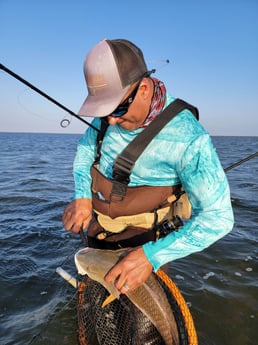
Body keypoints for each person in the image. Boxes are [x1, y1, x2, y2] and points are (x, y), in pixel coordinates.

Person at [62, 38, 234, 297]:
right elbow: (86, 150)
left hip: (147, 240)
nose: (110, 119)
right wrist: (82, 196)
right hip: (99, 229)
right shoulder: (109, 118)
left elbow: (218, 218)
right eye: (103, 109)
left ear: (143, 88)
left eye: (118, 107)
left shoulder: (189, 138)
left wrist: (150, 257)